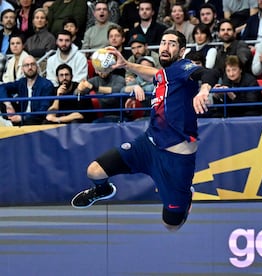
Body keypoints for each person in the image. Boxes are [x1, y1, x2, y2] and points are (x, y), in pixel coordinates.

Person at [71, 30, 220, 232]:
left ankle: (186, 198)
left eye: (172, 44)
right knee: (94, 171)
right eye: (163, 42)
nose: (166, 47)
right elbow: (154, 74)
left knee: (171, 225)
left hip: (175, 162)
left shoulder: (183, 68)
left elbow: (209, 73)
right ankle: (103, 190)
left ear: (182, 50)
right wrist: (127, 65)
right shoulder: (164, 74)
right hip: (148, 145)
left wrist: (204, 90)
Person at [0, 55, 54, 125]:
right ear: (22, 69)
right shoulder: (22, 82)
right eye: (26, 65)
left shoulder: (46, 84)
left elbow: (43, 109)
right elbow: (2, 87)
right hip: (20, 116)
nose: (30, 67)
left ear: (37, 67)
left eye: (32, 64)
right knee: (2, 103)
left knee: (31, 120)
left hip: (36, 120)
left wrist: (22, 117)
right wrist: (8, 105)